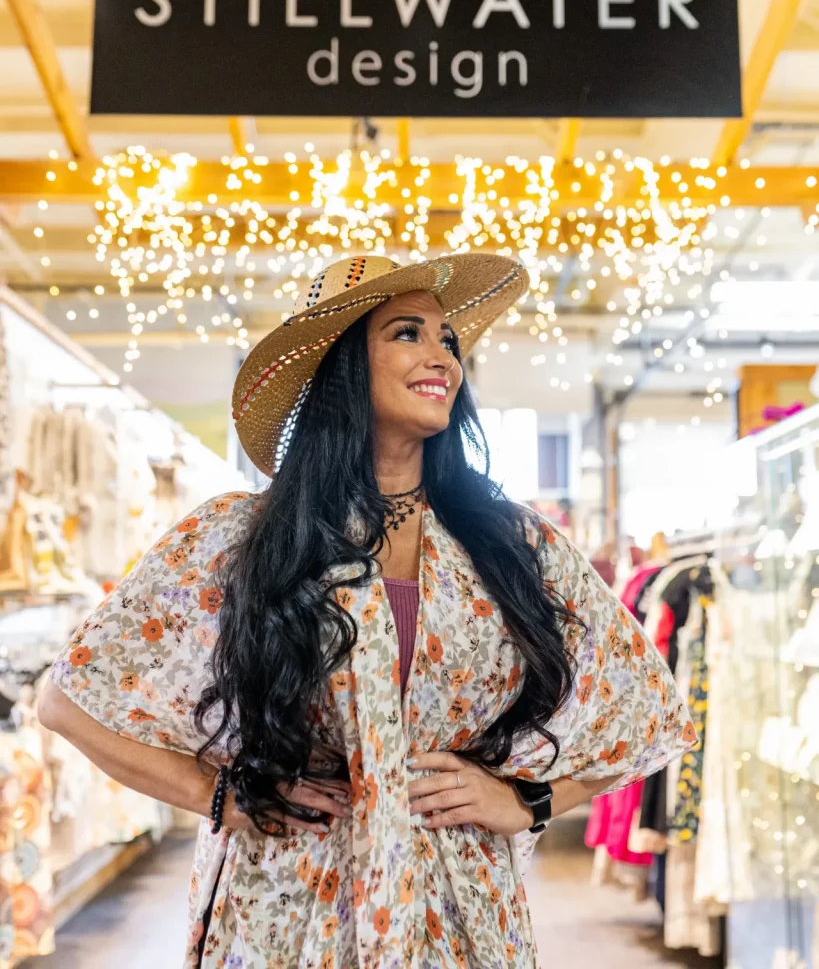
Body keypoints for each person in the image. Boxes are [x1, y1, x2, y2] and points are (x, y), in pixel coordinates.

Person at [39, 254, 695, 969]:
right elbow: (68, 701)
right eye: (407, 333)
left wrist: (527, 802)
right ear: (342, 366)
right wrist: (222, 794)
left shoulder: (513, 544)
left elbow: (647, 709)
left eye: (447, 340)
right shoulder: (241, 538)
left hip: (456, 907)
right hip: (287, 903)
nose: (441, 357)